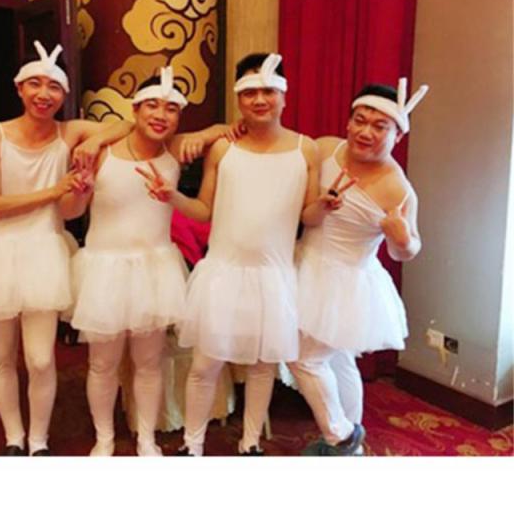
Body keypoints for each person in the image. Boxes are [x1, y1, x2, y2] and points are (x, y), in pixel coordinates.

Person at [0, 41, 132, 456]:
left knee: (40, 359)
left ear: (64, 93)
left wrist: (91, 145)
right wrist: (55, 190)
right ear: (19, 88)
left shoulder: (68, 132)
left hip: (44, 254)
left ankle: (39, 441)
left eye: (54, 86)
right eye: (34, 84)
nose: (44, 93)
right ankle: (14, 438)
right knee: (1, 356)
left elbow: (127, 124)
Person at [142, 53, 319, 456]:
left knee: (262, 365)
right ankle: (192, 444)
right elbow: (204, 209)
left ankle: (250, 441)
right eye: (250, 92)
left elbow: (307, 215)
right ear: (239, 98)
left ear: (284, 95)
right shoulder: (224, 148)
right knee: (206, 363)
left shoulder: (305, 150)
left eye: (269, 91)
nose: (260, 100)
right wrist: (172, 197)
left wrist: (325, 207)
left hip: (273, 274)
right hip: (223, 272)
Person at [60, 67, 241, 457]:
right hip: (104, 269)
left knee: (149, 362)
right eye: (152, 106)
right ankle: (104, 439)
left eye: (171, 109)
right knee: (103, 364)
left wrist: (205, 132)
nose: (161, 115)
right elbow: (69, 211)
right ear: (136, 110)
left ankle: (146, 438)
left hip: (155, 270)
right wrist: (81, 190)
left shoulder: (174, 152)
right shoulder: (101, 151)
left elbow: (229, 129)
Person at [287, 78, 428, 456]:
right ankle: (353, 444)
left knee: (303, 358)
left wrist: (401, 238)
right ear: (348, 121)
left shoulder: (398, 189)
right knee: (337, 358)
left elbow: (409, 250)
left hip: (346, 282)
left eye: (379, 126)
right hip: (306, 263)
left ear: (397, 135)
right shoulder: (326, 148)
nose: (365, 132)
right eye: (359, 120)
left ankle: (341, 435)